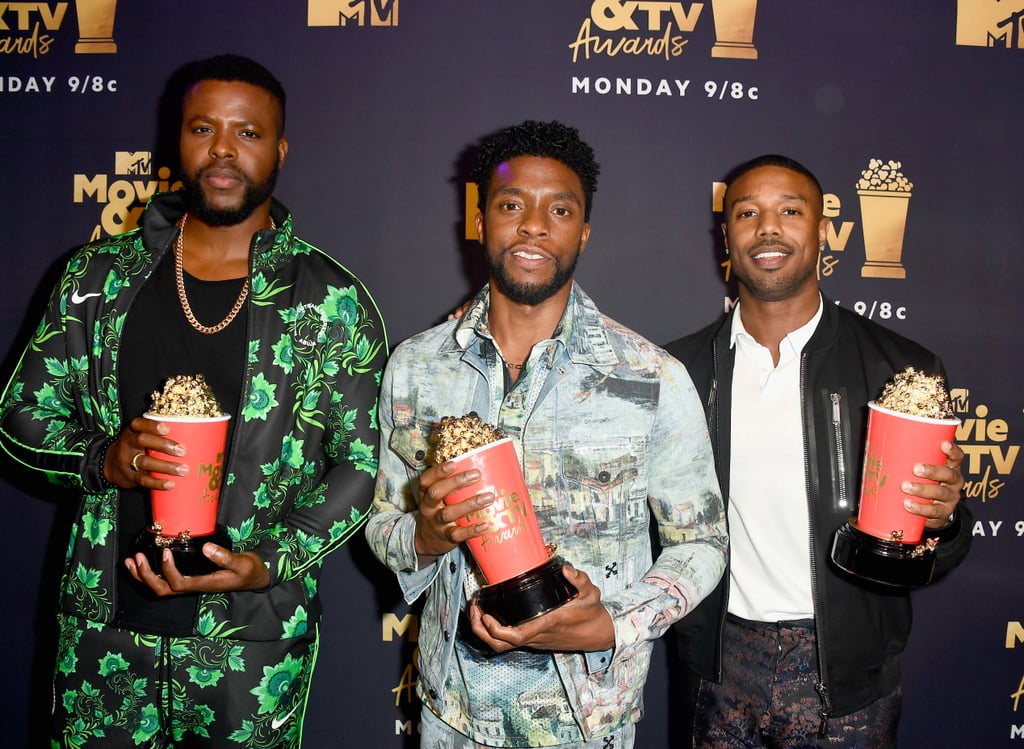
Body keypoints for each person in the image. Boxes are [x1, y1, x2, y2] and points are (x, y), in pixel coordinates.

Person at [0, 54, 387, 747]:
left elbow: (362, 463)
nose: (223, 150)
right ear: (176, 141)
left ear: (280, 149)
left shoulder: (330, 302)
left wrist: (271, 557)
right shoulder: (96, 279)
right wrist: (101, 458)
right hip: (104, 636)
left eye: (248, 132)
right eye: (204, 128)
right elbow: (18, 417)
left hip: (250, 643)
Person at [365, 120, 727, 748]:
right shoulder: (416, 368)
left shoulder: (650, 377)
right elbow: (382, 525)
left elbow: (703, 542)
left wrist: (611, 624)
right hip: (451, 715)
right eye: (511, 205)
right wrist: (421, 536)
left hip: (588, 721)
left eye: (559, 209)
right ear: (479, 221)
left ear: (583, 231)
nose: (534, 225)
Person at [666, 154, 971, 747]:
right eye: (748, 213)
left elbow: (941, 548)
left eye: (790, 211)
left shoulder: (898, 369)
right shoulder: (677, 370)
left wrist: (945, 517)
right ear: (726, 235)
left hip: (845, 674)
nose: (768, 228)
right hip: (718, 665)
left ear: (825, 230)